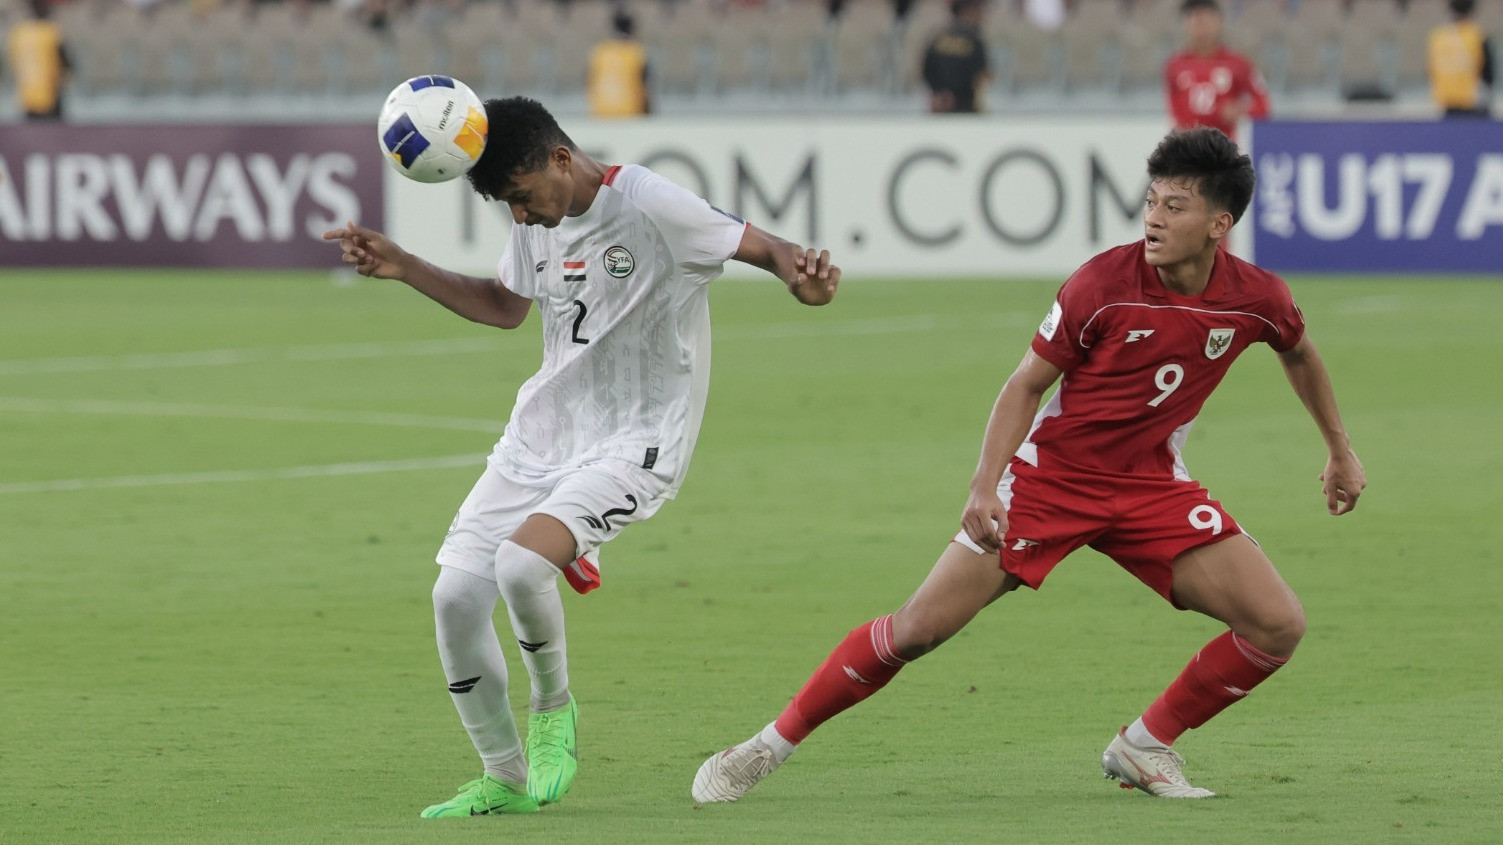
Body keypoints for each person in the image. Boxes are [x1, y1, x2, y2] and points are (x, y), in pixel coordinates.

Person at [692, 127, 1366, 803]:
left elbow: (1299, 352)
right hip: (1050, 482)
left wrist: (1338, 448)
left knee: (1276, 623)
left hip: (1151, 484)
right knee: (917, 629)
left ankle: (1145, 743)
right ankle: (762, 747)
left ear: (1218, 224)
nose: (1154, 217)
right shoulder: (1101, 284)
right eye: (1151, 200)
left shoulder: (1256, 295)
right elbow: (1024, 385)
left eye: (1175, 205)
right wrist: (984, 486)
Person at [323, 96, 840, 817]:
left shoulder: (653, 204)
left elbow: (778, 254)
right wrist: (405, 265)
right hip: (540, 435)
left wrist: (805, 279)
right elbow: (506, 306)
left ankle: (553, 708)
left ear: (561, 160)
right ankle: (502, 776)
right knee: (453, 599)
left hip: (636, 439)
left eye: (525, 200)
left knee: (519, 565)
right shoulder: (534, 213)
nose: (525, 218)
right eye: (511, 207)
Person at [1163, 0, 1269, 142]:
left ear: (1219, 21)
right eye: (1193, 16)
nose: (1199, 22)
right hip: (1188, 148)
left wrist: (1240, 110)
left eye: (1205, 15)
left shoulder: (1238, 63)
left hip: (1224, 148)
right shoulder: (1174, 65)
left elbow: (1263, 104)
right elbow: (1174, 108)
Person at [5, 0, 71, 121]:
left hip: (27, 98)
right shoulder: (51, 32)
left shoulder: (19, 33)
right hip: (51, 98)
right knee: (55, 136)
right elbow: (67, 62)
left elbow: (13, 65)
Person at [921, 0, 991, 114]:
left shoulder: (937, 37)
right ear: (969, 10)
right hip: (966, 107)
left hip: (940, 105)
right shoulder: (974, 40)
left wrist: (940, 93)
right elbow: (981, 76)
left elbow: (926, 70)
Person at [1428, 0, 1495, 117]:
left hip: (1446, 102)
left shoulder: (1438, 37)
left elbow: (1431, 70)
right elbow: (1489, 73)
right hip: (1472, 102)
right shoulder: (1477, 36)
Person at [586, 7, 651, 118]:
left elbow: (588, 82)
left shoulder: (600, 52)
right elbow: (646, 87)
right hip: (630, 112)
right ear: (632, 28)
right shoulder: (636, 52)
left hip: (601, 112)